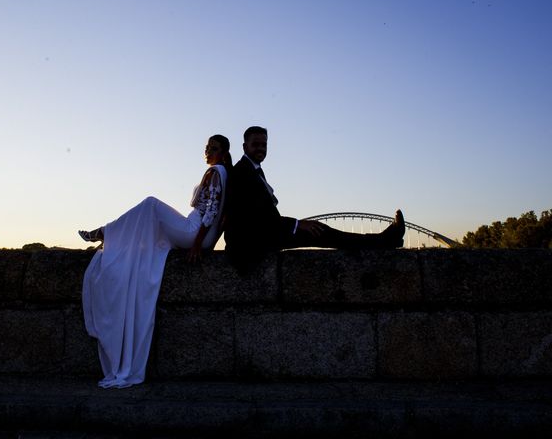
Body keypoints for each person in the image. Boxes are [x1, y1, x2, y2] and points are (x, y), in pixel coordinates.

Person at [79, 134, 231, 388]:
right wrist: (209, 242)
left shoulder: (215, 173)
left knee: (150, 204)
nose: (207, 151)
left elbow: (213, 211)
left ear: (223, 152)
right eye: (206, 147)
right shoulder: (225, 173)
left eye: (213, 148)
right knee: (150, 217)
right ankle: (111, 234)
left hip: (194, 232)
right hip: (199, 232)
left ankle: (106, 232)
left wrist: (197, 244)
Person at [224, 126, 405, 272]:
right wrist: (297, 224)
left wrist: (295, 225)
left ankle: (384, 240)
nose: (261, 149)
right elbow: (257, 216)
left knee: (321, 231)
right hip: (252, 243)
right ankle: (384, 241)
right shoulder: (243, 172)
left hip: (262, 234)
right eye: (256, 144)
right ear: (245, 147)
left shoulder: (251, 169)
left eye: (264, 145)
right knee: (319, 232)